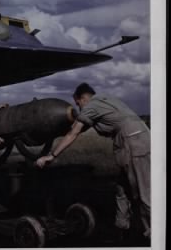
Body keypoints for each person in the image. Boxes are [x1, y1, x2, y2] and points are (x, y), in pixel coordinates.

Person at [36, 83, 151, 240]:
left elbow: (73, 133)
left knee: (143, 193)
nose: (79, 108)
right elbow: (80, 127)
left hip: (133, 144)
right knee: (122, 190)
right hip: (140, 139)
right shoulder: (106, 99)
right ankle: (122, 229)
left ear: (82, 98)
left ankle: (152, 235)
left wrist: (52, 155)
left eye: (78, 104)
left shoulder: (91, 106)